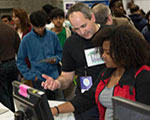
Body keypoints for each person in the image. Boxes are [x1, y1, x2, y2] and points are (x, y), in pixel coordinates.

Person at [49, 25, 150, 120]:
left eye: (108, 53)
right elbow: (87, 99)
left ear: (124, 52)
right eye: (103, 51)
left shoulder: (143, 76)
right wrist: (56, 110)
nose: (103, 56)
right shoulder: (107, 73)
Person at [42, 2, 105, 120]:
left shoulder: (109, 36)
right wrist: (57, 83)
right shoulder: (71, 43)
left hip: (110, 99)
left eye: (84, 26)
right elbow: (67, 76)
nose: (82, 32)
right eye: (76, 29)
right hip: (85, 103)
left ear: (92, 17)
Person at [16, 10, 64, 101]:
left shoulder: (52, 36)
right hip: (38, 79)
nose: (40, 30)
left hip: (54, 77)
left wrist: (56, 59)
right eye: (37, 27)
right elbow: (20, 61)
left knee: (60, 102)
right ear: (32, 24)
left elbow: (60, 53)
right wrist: (31, 76)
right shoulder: (26, 40)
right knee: (41, 106)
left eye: (42, 26)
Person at [0, 22, 20, 112]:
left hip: (1, 66)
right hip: (12, 63)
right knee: (14, 92)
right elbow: (18, 47)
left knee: (3, 94)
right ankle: (17, 113)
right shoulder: (10, 29)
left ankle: (10, 114)